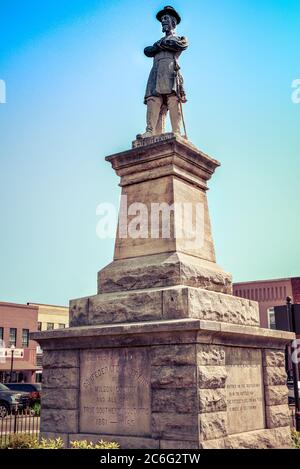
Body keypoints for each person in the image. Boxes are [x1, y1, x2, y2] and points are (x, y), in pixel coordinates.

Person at [140, 6, 188, 138]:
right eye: (162, 19)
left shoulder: (179, 39)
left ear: (173, 21)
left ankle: (176, 131)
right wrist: (159, 46)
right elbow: (147, 51)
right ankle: (150, 131)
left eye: (165, 18)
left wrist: (158, 47)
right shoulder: (158, 42)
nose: (163, 21)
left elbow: (180, 45)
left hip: (170, 69)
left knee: (173, 98)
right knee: (153, 99)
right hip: (156, 72)